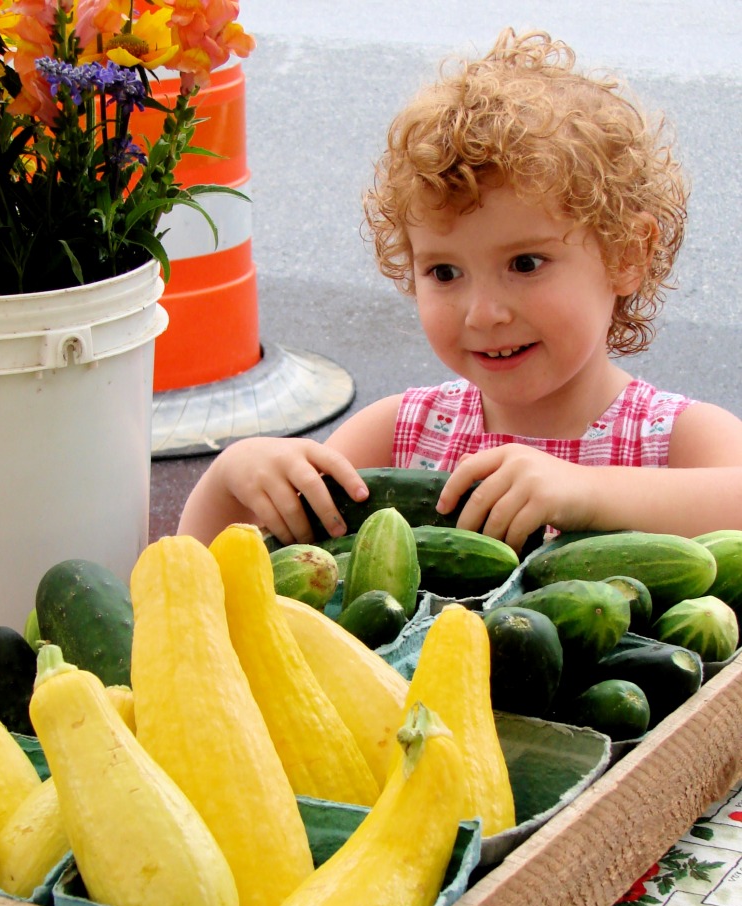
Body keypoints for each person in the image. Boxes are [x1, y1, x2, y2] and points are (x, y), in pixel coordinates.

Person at [178, 28, 742, 552]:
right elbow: (203, 581)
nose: (484, 313)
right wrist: (230, 482)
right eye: (444, 273)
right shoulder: (400, 435)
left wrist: (586, 493)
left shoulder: (673, 441)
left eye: (525, 263)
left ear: (627, 255)